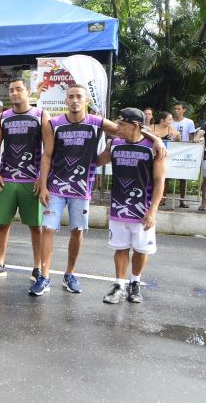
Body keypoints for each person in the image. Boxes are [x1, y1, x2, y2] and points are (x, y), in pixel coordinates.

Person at [32, 85, 165, 296]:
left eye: (79, 97)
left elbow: (127, 130)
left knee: (77, 232)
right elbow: (46, 156)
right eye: (70, 97)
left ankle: (70, 274)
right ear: (65, 100)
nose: (74, 100)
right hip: (56, 186)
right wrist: (44, 184)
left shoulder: (96, 122)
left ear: (86, 101)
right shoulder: (54, 124)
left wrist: (155, 138)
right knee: (47, 228)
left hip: (81, 188)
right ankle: (44, 276)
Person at [96, 108, 165, 304]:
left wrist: (153, 211)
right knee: (120, 248)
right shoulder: (115, 145)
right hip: (119, 208)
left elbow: (160, 181)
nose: (117, 127)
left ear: (135, 126)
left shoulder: (153, 148)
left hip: (142, 211)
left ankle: (135, 283)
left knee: (141, 250)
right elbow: (96, 161)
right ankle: (119, 285)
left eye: (122, 125)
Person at [0, 76, 48, 280]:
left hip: (32, 180)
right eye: (11, 90)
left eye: (18, 89)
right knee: (2, 224)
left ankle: (38, 267)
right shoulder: (3, 117)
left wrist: (43, 177)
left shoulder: (40, 115)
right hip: (7, 178)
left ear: (28, 92)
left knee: (36, 226)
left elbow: (49, 150)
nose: (14, 93)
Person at [171, 102, 197, 208]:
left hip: (184, 151)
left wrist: (190, 149)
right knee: (166, 175)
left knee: (183, 177)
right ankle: (162, 199)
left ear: (184, 110)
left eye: (179, 109)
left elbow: (191, 137)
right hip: (171, 150)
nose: (176, 111)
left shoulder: (189, 122)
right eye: (175, 109)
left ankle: (182, 201)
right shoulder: (170, 121)